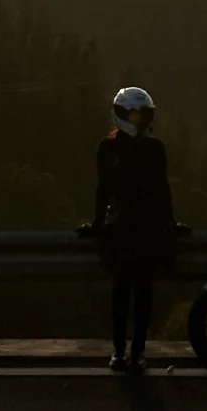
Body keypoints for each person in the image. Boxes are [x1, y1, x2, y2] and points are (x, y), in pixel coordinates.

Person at [76, 85, 187, 374]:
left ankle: (125, 351)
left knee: (129, 291)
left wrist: (98, 224)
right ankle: (131, 352)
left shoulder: (115, 147)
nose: (137, 120)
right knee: (133, 291)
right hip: (136, 227)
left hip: (128, 228)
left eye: (141, 115)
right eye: (133, 115)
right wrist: (170, 223)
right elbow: (162, 191)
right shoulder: (136, 148)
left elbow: (108, 189)